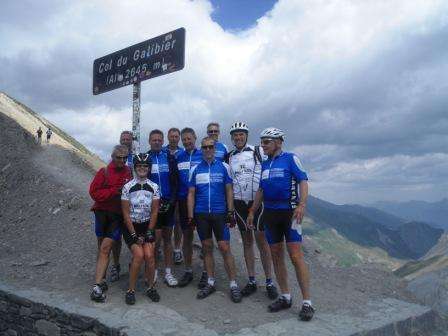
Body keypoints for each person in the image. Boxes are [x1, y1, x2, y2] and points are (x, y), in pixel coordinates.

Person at [247, 127, 314, 321]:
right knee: (276, 256)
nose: (263, 145)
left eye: (267, 141)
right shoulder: (265, 164)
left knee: (295, 256)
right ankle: (285, 296)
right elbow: (261, 190)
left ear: (278, 142)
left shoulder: (290, 158)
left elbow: (303, 180)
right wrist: (252, 211)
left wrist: (302, 204)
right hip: (270, 214)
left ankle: (307, 302)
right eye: (262, 141)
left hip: (290, 214)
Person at [188, 136, 242, 303]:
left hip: (219, 213)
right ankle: (210, 282)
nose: (208, 150)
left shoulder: (224, 167)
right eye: (205, 147)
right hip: (201, 213)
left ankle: (233, 284)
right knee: (206, 247)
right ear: (201, 149)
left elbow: (229, 190)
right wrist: (190, 216)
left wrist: (231, 212)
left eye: (211, 147)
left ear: (215, 148)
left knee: (224, 247)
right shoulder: (195, 169)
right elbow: (191, 194)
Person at [227, 122, 278, 300]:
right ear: (232, 138)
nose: (238, 137)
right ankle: (251, 280)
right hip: (240, 204)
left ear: (246, 136)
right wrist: (230, 209)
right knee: (247, 241)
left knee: (262, 242)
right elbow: (229, 183)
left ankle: (270, 281)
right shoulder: (230, 156)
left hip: (258, 203)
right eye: (235, 135)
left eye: (241, 134)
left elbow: (270, 169)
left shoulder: (257, 151)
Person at [89, 145, 132, 302]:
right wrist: (114, 191)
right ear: (113, 157)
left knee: (106, 247)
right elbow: (93, 192)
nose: (122, 160)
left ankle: (97, 284)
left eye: (124, 158)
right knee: (101, 247)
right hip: (102, 213)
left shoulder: (128, 172)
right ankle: (102, 279)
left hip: (117, 216)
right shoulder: (104, 172)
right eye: (118, 157)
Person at [121, 153, 161, 305]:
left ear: (149, 168)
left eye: (145, 166)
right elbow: (125, 213)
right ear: (135, 167)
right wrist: (134, 234)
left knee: (150, 256)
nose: (142, 168)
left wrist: (149, 231)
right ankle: (130, 290)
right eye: (139, 166)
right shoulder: (127, 187)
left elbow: (155, 211)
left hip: (147, 225)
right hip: (131, 225)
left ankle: (151, 288)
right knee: (139, 256)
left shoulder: (154, 187)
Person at [147, 129, 179, 287]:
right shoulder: (146, 158)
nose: (157, 142)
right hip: (153, 205)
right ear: (149, 141)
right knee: (155, 241)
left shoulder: (169, 157)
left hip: (168, 204)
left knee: (168, 239)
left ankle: (168, 273)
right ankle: (153, 272)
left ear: (162, 141)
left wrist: (172, 201)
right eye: (154, 140)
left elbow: (175, 182)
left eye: (160, 140)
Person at [175, 128, 203, 287]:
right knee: (187, 237)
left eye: (189, 138)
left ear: (195, 138)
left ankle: (207, 272)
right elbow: (176, 180)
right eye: (184, 139)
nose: (186, 141)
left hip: (201, 201)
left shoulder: (203, 154)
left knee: (205, 238)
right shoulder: (179, 157)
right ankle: (188, 271)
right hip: (184, 201)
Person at [106, 130, 134, 283]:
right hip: (116, 205)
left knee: (133, 235)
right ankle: (116, 265)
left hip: (132, 204)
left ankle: (134, 263)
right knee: (116, 238)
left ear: (132, 141)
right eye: (123, 139)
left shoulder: (136, 157)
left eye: (128, 139)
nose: (125, 141)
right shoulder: (115, 157)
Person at [163, 127, 183, 265]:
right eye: (172, 136)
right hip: (166, 191)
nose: (174, 138)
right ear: (168, 137)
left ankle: (177, 249)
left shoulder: (183, 152)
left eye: (176, 136)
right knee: (164, 222)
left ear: (179, 138)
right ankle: (163, 246)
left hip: (179, 191)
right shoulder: (162, 151)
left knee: (178, 221)